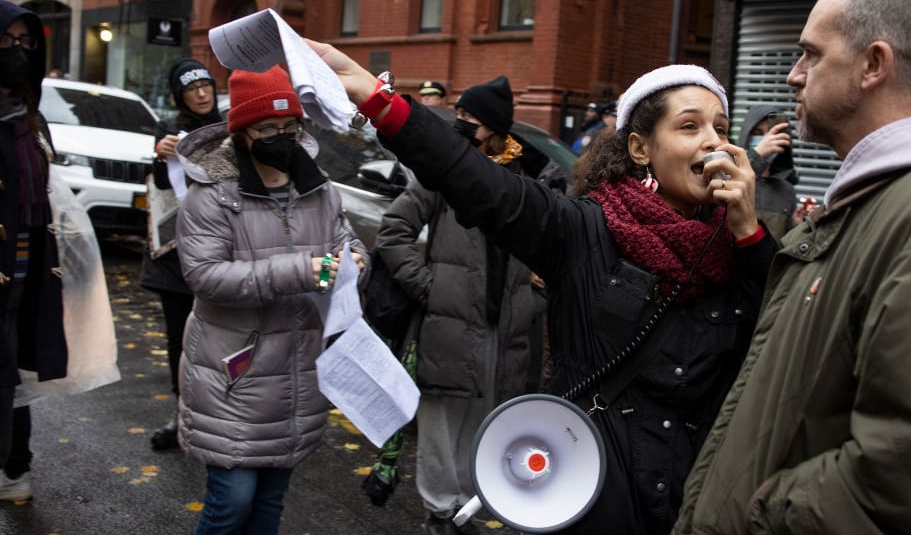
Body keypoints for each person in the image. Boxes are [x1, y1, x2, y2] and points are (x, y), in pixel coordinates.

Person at [310, 38, 777, 534]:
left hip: (693, 506)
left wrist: (749, 230)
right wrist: (378, 100)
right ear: (641, 148)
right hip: (590, 500)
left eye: (721, 129)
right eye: (689, 126)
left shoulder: (741, 247)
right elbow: (472, 179)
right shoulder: (582, 230)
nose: (714, 141)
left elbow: (778, 338)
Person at [676, 0, 911, 535]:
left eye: (811, 54)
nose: (793, 75)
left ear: (872, 64)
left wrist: (763, 515)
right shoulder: (878, 199)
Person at [173, 65, 368, 534]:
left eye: (290, 127)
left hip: (296, 370)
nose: (282, 137)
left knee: (269, 504)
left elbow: (350, 244)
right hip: (234, 370)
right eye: (268, 128)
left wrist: (357, 263)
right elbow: (205, 275)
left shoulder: (317, 188)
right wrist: (306, 269)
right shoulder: (212, 196)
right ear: (243, 133)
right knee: (231, 503)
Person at [375, 75, 548, 535]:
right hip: (450, 321)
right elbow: (393, 233)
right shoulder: (442, 173)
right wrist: (429, 287)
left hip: (507, 325)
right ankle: (439, 512)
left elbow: (551, 247)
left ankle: (467, 508)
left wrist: (537, 294)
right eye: (459, 115)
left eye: (469, 119)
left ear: (493, 127)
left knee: (486, 421)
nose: (459, 124)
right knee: (441, 425)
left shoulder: (528, 180)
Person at [0, 0, 68, 502]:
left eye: (26, 44)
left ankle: (14, 467)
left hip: (23, 273)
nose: (17, 52)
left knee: (12, 371)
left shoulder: (31, 118)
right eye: (6, 42)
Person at [143, 58, 222, 450]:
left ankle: (219, 415)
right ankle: (182, 416)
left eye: (206, 85)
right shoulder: (169, 130)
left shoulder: (231, 126)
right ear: (181, 96)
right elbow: (160, 183)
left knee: (220, 338)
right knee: (179, 337)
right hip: (177, 256)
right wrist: (161, 153)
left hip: (222, 251)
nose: (202, 94)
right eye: (192, 89)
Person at [736, 106, 798, 239]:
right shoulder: (729, 178)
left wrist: (797, 226)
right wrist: (757, 155)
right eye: (758, 133)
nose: (766, 140)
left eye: (771, 134)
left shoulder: (787, 191)